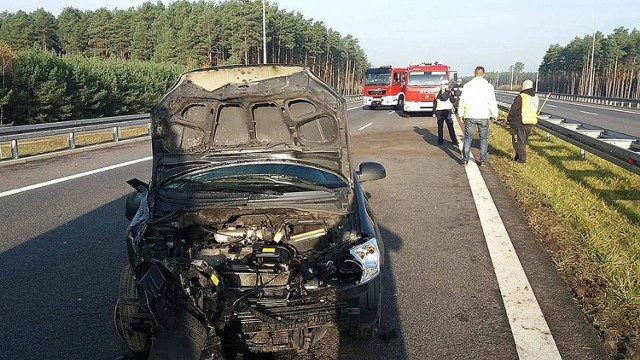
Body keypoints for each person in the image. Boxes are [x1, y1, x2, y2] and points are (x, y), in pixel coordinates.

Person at [457, 66, 498, 166]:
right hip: (484, 115)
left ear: (474, 73)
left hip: (470, 115)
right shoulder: (489, 86)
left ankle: (465, 159)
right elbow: (492, 102)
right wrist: (494, 114)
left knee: (468, 138)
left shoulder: (467, 85)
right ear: (484, 74)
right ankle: (483, 160)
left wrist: (461, 114)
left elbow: (463, 101)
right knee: (483, 139)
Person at [507, 79, 539, 164]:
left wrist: (509, 119)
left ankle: (521, 161)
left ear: (523, 86)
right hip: (530, 122)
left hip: (520, 123)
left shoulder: (521, 97)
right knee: (523, 142)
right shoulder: (535, 97)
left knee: (517, 142)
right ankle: (517, 158)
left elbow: (513, 110)